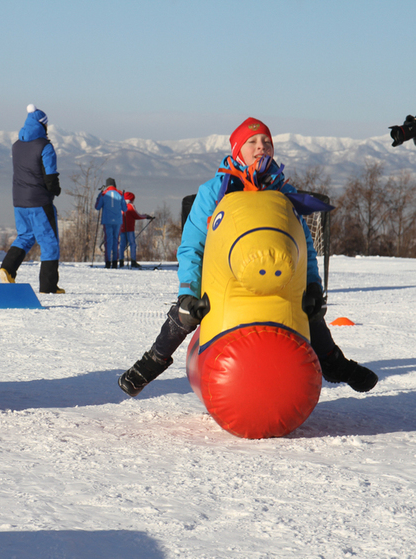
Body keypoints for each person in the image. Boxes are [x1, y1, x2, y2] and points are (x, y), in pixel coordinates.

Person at [118, 117, 379, 397]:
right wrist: (187, 291)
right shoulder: (213, 192)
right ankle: (154, 360)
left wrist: (313, 285)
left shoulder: (283, 193)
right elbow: (192, 245)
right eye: (252, 142)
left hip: (277, 282)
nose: (261, 147)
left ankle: (333, 363)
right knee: (186, 313)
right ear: (236, 151)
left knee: (309, 309)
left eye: (266, 142)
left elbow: (304, 247)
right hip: (224, 282)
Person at [0, 104, 64, 294]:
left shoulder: (16, 145)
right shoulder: (45, 146)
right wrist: (55, 190)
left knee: (25, 236)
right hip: (39, 201)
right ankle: (48, 286)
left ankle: (7, 269)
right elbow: (50, 175)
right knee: (49, 242)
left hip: (19, 201)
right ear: (43, 126)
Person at [95, 178, 127, 268]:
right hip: (118, 221)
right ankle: (114, 262)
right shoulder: (120, 194)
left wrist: (99, 195)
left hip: (107, 220)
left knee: (108, 241)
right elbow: (125, 209)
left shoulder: (104, 194)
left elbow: (97, 207)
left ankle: (108, 262)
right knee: (116, 241)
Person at [118, 191, 152, 268]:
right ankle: (133, 261)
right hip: (129, 229)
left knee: (122, 245)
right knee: (132, 244)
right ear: (131, 199)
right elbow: (137, 215)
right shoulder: (130, 206)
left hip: (122, 228)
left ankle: (121, 261)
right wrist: (145, 216)